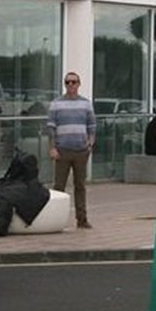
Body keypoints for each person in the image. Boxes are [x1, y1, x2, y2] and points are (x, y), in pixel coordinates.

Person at [45, 72, 97, 228]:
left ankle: (82, 219)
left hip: (81, 150)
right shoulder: (56, 104)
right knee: (59, 186)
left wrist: (90, 142)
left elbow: (92, 125)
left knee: (80, 185)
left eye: (74, 82)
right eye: (67, 82)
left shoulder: (86, 103)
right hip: (63, 150)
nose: (71, 85)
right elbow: (51, 127)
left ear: (79, 84)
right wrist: (52, 147)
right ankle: (55, 219)